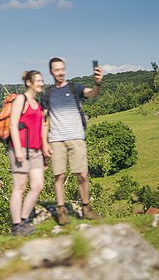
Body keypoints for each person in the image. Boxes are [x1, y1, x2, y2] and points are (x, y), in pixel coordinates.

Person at [41, 57, 103, 225]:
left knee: (82, 175)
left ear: (65, 69)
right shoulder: (47, 93)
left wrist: (97, 84)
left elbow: (91, 94)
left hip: (76, 137)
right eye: (56, 70)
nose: (60, 72)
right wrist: (44, 143)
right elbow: (45, 120)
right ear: (51, 72)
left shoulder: (75, 87)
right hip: (56, 140)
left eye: (62, 69)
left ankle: (86, 208)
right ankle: (61, 211)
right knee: (59, 176)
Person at [9, 70, 45, 236]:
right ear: (29, 83)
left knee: (38, 185)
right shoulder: (20, 100)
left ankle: (24, 219)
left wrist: (45, 149)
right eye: (37, 81)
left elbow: (41, 128)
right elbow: (13, 125)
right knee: (20, 187)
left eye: (41, 80)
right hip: (21, 149)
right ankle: (17, 225)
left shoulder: (38, 104)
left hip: (36, 150)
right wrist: (17, 150)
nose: (41, 83)